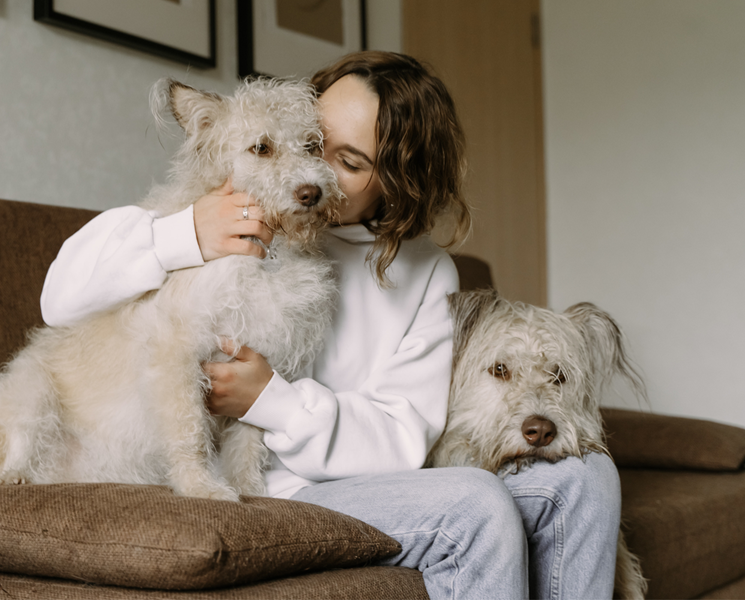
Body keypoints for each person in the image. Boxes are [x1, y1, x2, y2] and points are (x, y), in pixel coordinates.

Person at [40, 51, 621, 599]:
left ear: (398, 180)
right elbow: (59, 297)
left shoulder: (424, 273)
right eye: (312, 140)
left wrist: (273, 401)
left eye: (347, 163)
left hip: (356, 480)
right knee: (476, 502)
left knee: (587, 479)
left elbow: (401, 436)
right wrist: (186, 232)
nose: (308, 171)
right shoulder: (227, 208)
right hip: (262, 485)